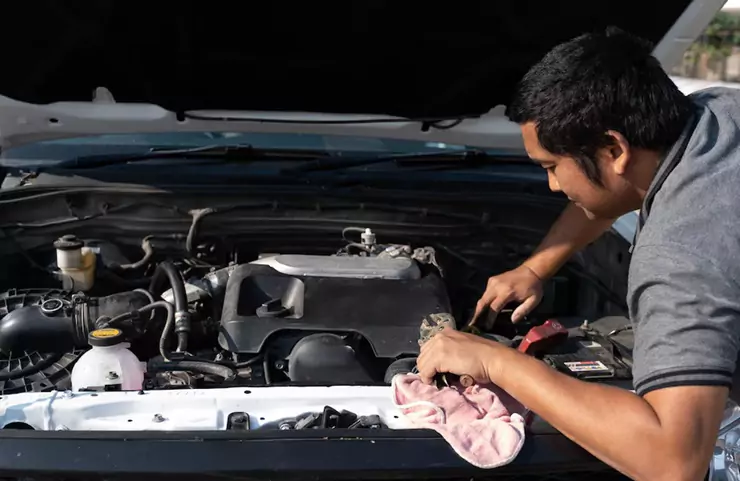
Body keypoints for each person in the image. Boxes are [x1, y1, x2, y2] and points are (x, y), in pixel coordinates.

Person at [416, 26, 740, 481]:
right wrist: (535, 266)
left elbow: (674, 461)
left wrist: (496, 361)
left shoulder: (679, 256)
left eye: (552, 167)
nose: (552, 186)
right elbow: (618, 187)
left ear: (614, 147)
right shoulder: (716, 112)